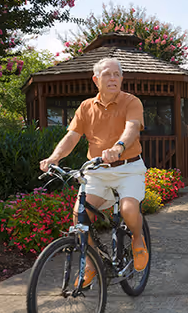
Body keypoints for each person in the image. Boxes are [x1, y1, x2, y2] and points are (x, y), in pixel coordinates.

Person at [40, 57, 148, 287]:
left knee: (129, 210)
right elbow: (72, 136)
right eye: (107, 74)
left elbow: (131, 129)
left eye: (117, 74)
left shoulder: (131, 101)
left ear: (121, 78)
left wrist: (118, 147)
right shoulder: (86, 107)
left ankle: (138, 239)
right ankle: (91, 264)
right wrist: (54, 157)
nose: (113, 78)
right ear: (96, 79)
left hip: (128, 168)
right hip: (97, 171)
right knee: (80, 214)